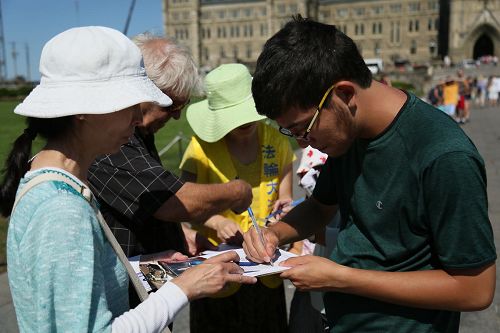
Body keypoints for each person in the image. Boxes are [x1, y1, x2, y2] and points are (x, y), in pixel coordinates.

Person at [243, 17, 496, 333]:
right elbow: (321, 207)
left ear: (345, 94)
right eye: (289, 131)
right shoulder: (347, 135)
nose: (301, 143)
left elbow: (475, 288)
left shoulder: (444, 156)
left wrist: (340, 277)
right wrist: (275, 233)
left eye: (303, 128)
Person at [0, 26, 256, 333]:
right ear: (86, 109)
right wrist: (184, 288)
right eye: (130, 104)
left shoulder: (60, 187)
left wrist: (151, 265)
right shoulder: (62, 211)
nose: (138, 119)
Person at [87, 35, 253, 307]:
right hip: (123, 302)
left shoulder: (139, 132)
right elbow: (173, 202)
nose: (176, 116)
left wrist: (179, 235)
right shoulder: (112, 138)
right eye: (173, 106)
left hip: (143, 284)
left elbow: (145, 201)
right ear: (146, 89)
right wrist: (237, 191)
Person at [179, 63, 294, 333]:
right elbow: (181, 205)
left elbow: (285, 198)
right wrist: (216, 221)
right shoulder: (199, 149)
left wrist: (284, 211)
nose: (245, 123)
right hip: (217, 277)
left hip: (266, 273)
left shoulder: (277, 142)